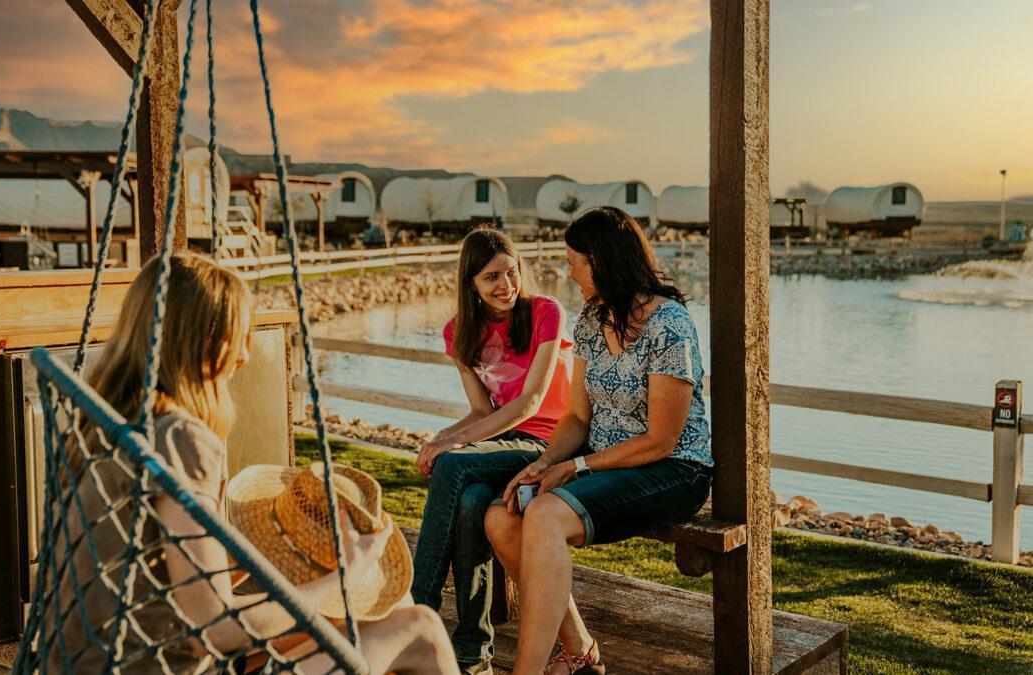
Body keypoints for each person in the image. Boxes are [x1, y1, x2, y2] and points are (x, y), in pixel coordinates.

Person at [50, 252, 455, 674]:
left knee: (370, 612)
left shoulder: (104, 423)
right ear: (200, 339)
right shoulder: (181, 439)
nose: (245, 355)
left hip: (92, 656)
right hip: (160, 662)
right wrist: (345, 578)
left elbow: (166, 576)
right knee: (421, 626)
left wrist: (267, 553)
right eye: (238, 335)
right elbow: (215, 631)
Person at [484, 207, 712, 674]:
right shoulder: (591, 318)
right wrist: (544, 463)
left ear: (602, 261)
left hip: (673, 471)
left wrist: (577, 468)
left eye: (575, 262)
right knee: (502, 516)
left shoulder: (670, 325)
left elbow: (662, 440)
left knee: (545, 514)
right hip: (603, 464)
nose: (569, 273)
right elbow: (575, 416)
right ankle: (581, 651)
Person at [411, 228, 572, 675]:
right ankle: (472, 650)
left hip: (549, 443)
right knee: (469, 501)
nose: (506, 285)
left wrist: (455, 445)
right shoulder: (458, 331)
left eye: (511, 271)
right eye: (491, 277)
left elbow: (533, 403)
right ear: (471, 284)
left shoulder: (545, 312)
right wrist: (441, 438)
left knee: (452, 466)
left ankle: (416, 610)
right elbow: (480, 410)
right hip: (503, 440)